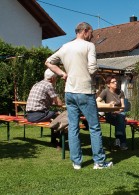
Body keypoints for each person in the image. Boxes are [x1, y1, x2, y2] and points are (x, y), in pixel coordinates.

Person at [45, 22, 113, 170]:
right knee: (94, 127)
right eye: (92, 33)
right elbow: (93, 67)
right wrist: (90, 74)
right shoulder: (89, 46)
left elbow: (48, 62)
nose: (93, 36)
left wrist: (63, 73)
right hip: (85, 91)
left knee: (73, 127)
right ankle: (99, 162)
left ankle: (76, 163)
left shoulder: (65, 46)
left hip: (69, 92)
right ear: (85, 31)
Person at [26, 68, 63, 148]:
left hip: (29, 115)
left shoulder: (37, 84)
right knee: (58, 116)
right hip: (37, 115)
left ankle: (54, 140)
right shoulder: (48, 85)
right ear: (53, 78)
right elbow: (59, 103)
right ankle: (58, 142)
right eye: (56, 78)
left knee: (54, 115)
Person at [96, 76, 128, 150]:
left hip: (119, 113)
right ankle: (122, 142)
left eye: (116, 81)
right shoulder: (105, 91)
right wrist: (107, 105)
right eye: (113, 82)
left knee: (121, 117)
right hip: (110, 115)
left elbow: (123, 106)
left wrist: (118, 111)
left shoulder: (120, 92)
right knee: (121, 120)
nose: (116, 83)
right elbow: (96, 101)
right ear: (108, 84)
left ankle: (118, 140)